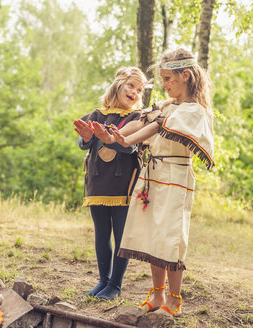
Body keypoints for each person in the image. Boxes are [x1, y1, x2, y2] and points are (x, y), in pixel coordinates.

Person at [91, 48, 214, 315]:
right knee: (152, 235)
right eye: (163, 79)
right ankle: (157, 295)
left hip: (176, 177)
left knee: (170, 237)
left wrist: (123, 140)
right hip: (152, 175)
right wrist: (115, 137)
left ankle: (174, 298)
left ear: (186, 75)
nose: (165, 84)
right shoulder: (166, 106)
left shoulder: (193, 110)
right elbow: (143, 121)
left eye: (169, 78)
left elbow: (157, 125)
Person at [73, 67, 150, 300]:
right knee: (101, 233)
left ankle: (115, 285)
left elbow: (130, 146)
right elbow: (83, 143)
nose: (135, 92)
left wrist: (111, 140)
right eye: (131, 86)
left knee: (121, 235)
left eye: (139, 90)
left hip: (122, 184)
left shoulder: (137, 118)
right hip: (97, 182)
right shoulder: (97, 114)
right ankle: (103, 281)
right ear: (118, 85)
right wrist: (86, 137)